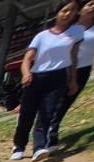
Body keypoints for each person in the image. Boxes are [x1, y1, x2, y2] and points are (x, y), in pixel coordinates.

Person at [10, 0, 83, 162]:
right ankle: (19, 146)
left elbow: (73, 57)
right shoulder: (41, 36)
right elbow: (27, 58)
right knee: (27, 114)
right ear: (57, 13)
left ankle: (39, 148)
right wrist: (26, 73)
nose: (68, 14)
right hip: (36, 77)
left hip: (59, 77)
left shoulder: (76, 33)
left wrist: (73, 80)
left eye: (72, 11)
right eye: (64, 10)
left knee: (47, 113)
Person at [48, 0, 94, 149]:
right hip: (63, 69)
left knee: (66, 102)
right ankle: (47, 133)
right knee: (55, 102)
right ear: (80, 10)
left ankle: (52, 131)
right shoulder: (68, 27)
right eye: (90, 4)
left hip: (83, 70)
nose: (93, 7)